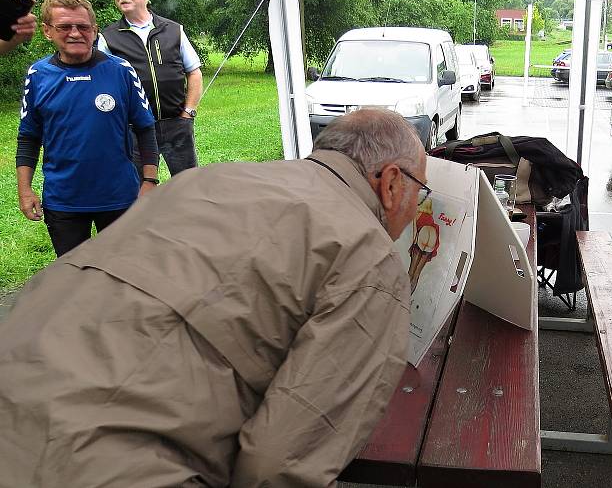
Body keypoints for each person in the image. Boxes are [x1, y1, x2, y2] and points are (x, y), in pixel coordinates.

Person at [0, 108, 428, 487]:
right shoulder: (368, 253)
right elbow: (281, 465)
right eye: (420, 190)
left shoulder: (208, 178)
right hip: (107, 460)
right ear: (390, 181)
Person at [15, 0, 158, 257]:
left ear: (94, 31)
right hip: (64, 201)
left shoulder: (121, 70)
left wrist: (149, 180)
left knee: (123, 273)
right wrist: (25, 190)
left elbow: (145, 127)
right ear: (47, 31)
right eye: (64, 27)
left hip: (120, 198)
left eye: (82, 27)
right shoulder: (38, 75)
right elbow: (28, 137)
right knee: (72, 278)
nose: (75, 33)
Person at [97, 0, 203, 177]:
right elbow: (100, 85)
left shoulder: (173, 30)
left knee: (188, 184)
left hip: (176, 123)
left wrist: (188, 113)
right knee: (138, 187)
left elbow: (194, 72)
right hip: (135, 128)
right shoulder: (108, 37)